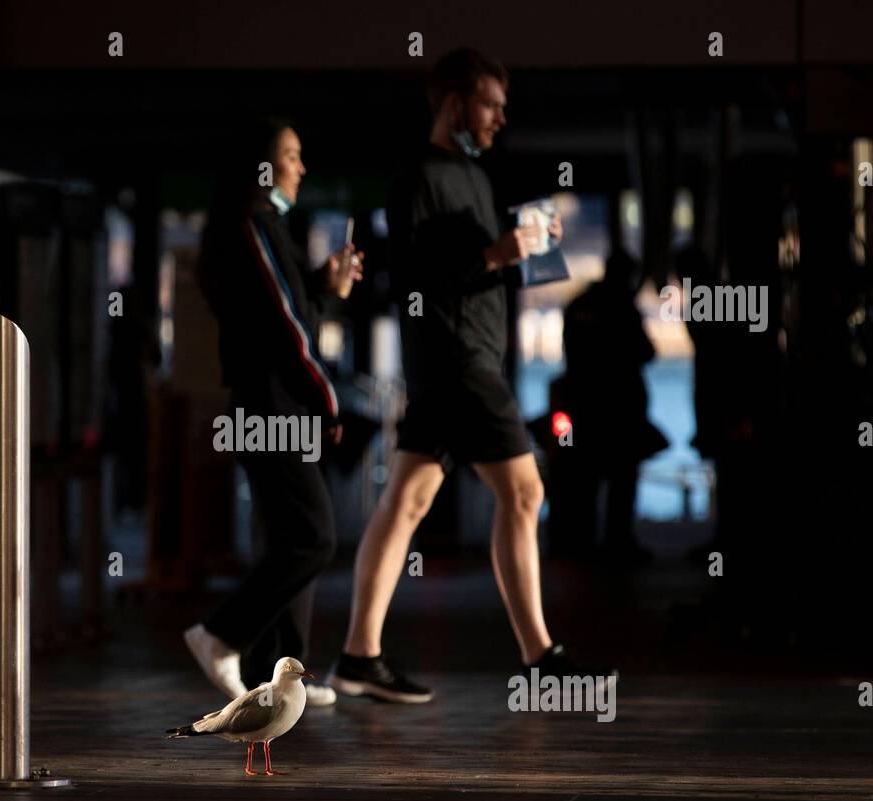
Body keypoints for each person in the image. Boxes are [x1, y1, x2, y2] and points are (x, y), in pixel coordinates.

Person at [327, 49, 613, 703]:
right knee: (523, 493)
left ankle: (357, 655)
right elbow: (416, 278)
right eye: (489, 104)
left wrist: (525, 249)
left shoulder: (477, 180)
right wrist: (492, 253)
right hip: (458, 359)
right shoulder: (417, 180)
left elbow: (479, 266)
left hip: (459, 358)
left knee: (407, 503)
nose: (500, 117)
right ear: (454, 103)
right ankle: (539, 658)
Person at [183, 119, 363, 707]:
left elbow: (281, 308)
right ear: (261, 168)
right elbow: (284, 328)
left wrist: (322, 283)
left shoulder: (264, 228)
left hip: (274, 403)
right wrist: (329, 399)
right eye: (291, 155)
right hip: (270, 406)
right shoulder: (251, 225)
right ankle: (219, 635)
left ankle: (273, 674)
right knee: (313, 537)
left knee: (292, 535)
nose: (300, 167)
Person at [556, 248, 660, 564]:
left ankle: (582, 542)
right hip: (620, 409)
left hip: (584, 407)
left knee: (585, 479)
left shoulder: (578, 306)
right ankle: (619, 543)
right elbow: (646, 352)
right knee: (621, 479)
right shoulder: (623, 308)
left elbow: (571, 353)